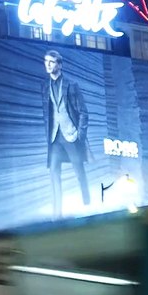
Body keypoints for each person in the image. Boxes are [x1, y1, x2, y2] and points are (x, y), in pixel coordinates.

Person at [41, 49, 91, 219]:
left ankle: (87, 204)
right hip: (55, 137)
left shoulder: (71, 85)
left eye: (52, 61)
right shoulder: (45, 86)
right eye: (46, 61)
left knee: (79, 171)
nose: (48, 64)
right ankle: (57, 215)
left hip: (70, 135)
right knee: (54, 172)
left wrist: (80, 135)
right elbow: (47, 113)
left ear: (59, 65)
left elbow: (84, 112)